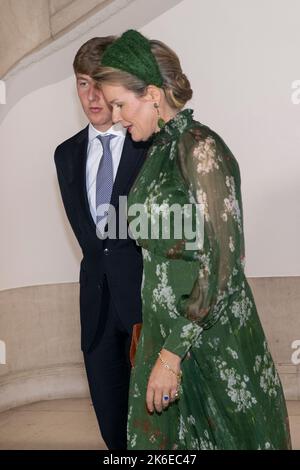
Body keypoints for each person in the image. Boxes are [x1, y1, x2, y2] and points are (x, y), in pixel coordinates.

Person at [93, 29, 292, 450]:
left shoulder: (201, 149)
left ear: (151, 94)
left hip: (207, 341)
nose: (115, 116)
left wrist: (172, 353)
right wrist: (152, 336)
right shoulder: (157, 152)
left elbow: (222, 261)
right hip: (162, 338)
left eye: (120, 104)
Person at [54, 37, 149, 450]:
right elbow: (92, 242)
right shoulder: (65, 155)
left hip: (146, 311)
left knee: (156, 434)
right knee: (113, 430)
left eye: (99, 83)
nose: (91, 96)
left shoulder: (148, 145)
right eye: (81, 83)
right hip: (95, 313)